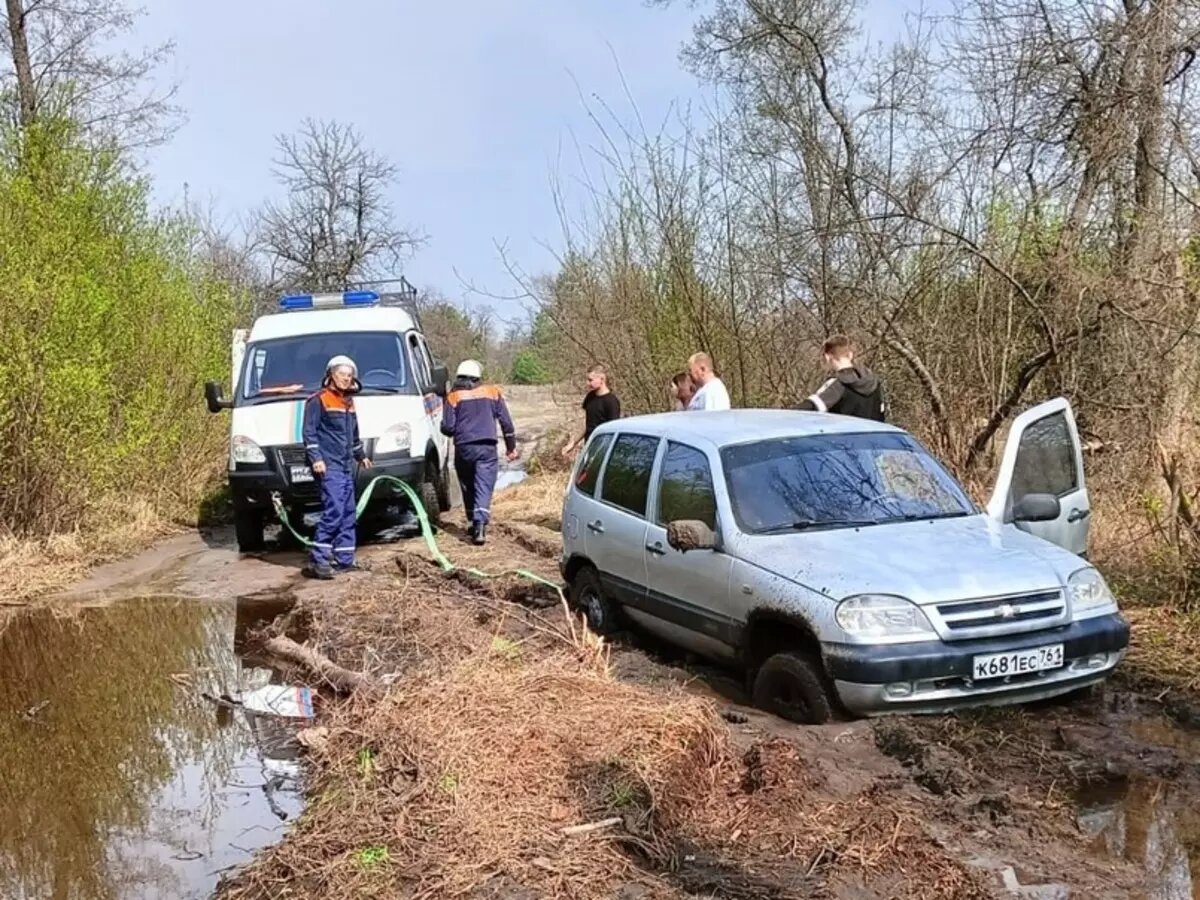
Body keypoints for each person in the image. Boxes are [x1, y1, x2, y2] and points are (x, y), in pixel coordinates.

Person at [302, 355, 372, 579]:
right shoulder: (318, 399)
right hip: (328, 465)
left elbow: (353, 435)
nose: (346, 379)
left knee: (348, 512)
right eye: (342, 375)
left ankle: (344, 559)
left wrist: (361, 456)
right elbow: (309, 432)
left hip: (345, 466)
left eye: (350, 376)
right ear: (332, 375)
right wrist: (316, 458)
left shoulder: (348, 402)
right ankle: (318, 559)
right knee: (334, 511)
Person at [441, 359, 518, 545]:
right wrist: (511, 447)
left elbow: (449, 428)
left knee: (468, 484)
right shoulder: (493, 392)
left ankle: (471, 521)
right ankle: (480, 525)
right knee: (484, 485)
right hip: (487, 446)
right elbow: (506, 423)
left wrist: (446, 426)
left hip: (464, 447)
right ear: (478, 375)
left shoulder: (453, 396)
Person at [798, 334, 885, 420]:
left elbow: (811, 406)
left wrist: (785, 414)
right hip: (875, 433)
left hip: (845, 433)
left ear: (827, 357)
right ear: (850, 355)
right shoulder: (874, 382)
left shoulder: (838, 384)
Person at [562, 365, 621, 459]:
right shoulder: (590, 397)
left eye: (590, 380)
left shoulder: (611, 402)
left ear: (602, 379)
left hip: (602, 451)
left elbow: (613, 431)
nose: (587, 383)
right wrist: (572, 444)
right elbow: (587, 424)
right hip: (589, 447)